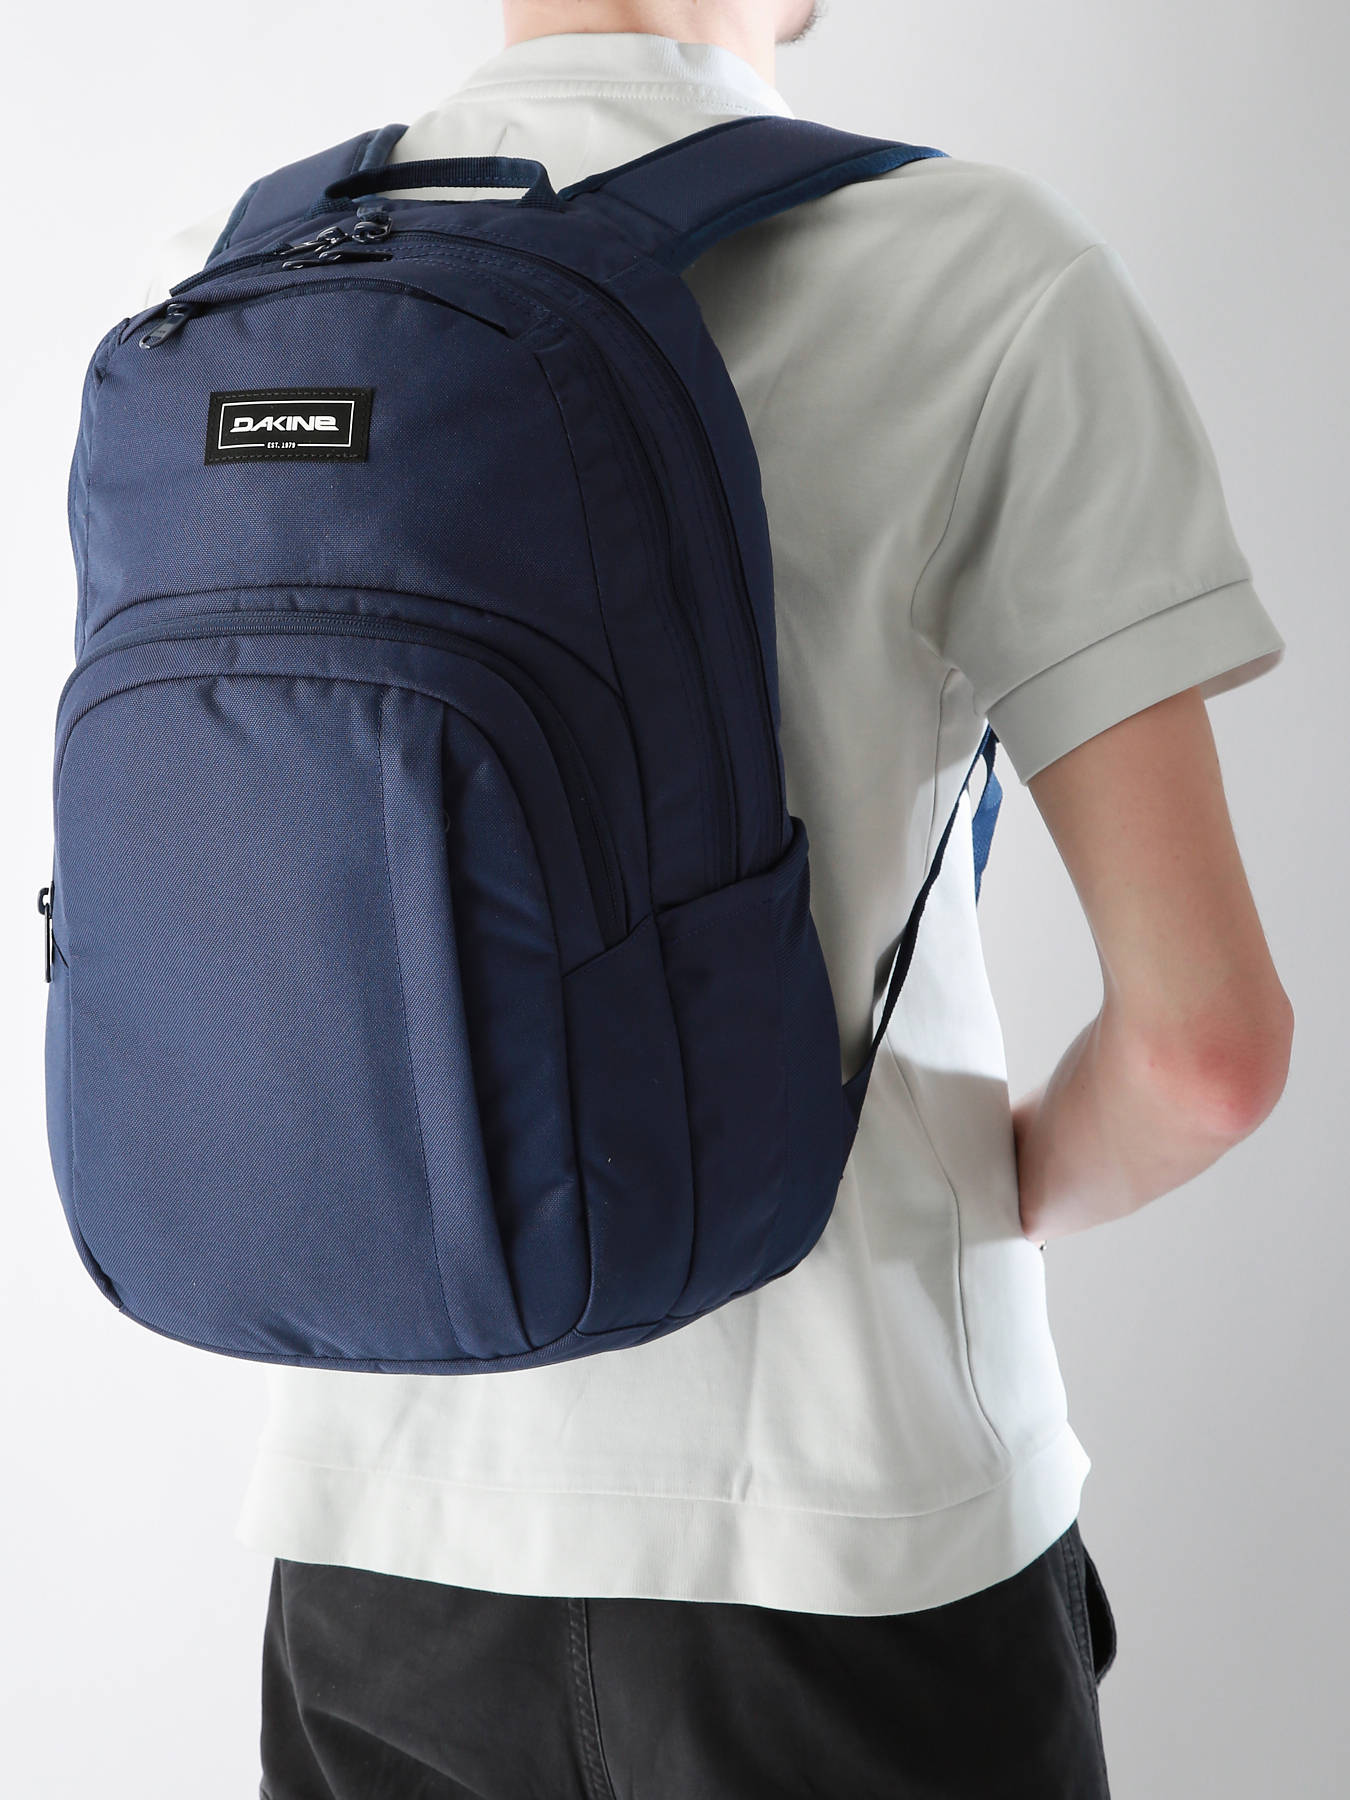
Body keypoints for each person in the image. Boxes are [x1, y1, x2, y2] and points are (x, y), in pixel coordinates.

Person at [139, 4, 1295, 1795]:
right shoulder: (973, 268)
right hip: (845, 1536)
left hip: (372, 1547)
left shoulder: (253, 268)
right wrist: (997, 1190)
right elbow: (1203, 1052)